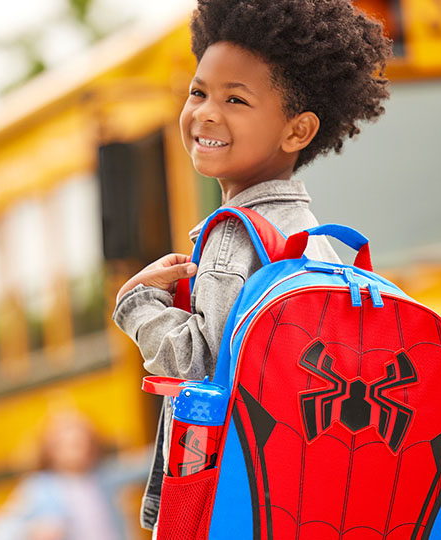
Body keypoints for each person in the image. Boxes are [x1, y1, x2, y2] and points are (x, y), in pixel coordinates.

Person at [112, 0, 392, 532]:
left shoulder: (234, 237)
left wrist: (137, 303)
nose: (206, 113)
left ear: (297, 131)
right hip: (306, 501)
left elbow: (196, 370)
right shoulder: (323, 243)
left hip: (233, 505)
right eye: (198, 92)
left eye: (236, 99)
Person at [0, 410, 148, 540]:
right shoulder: (41, 488)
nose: (78, 451)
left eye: (83, 443)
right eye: (70, 446)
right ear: (50, 451)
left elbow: (146, 464)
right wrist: (30, 531)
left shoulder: (104, 476)